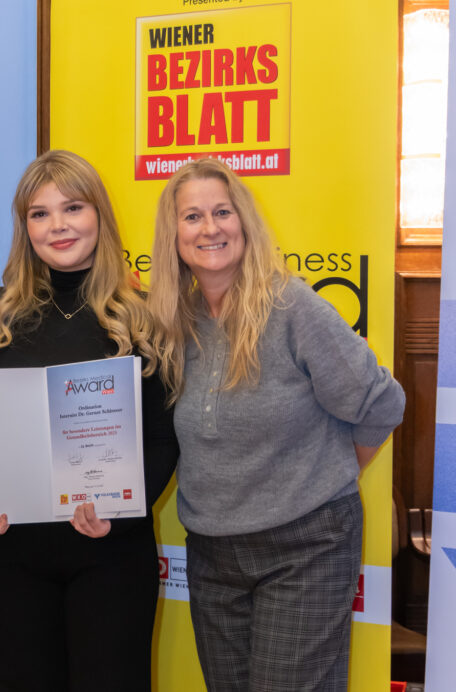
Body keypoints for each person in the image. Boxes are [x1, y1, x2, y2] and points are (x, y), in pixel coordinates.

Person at [148, 158, 406, 691]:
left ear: (244, 220)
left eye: (222, 212)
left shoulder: (291, 307)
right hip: (212, 553)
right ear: (173, 236)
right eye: (192, 217)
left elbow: (382, 403)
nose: (210, 227)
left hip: (305, 545)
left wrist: (327, 474)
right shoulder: (175, 322)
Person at [0, 150, 178, 691]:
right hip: (8, 553)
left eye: (72, 208)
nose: (57, 225)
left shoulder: (142, 314)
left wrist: (120, 514)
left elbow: (163, 437)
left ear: (99, 216)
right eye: (39, 213)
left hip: (109, 552)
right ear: (24, 227)